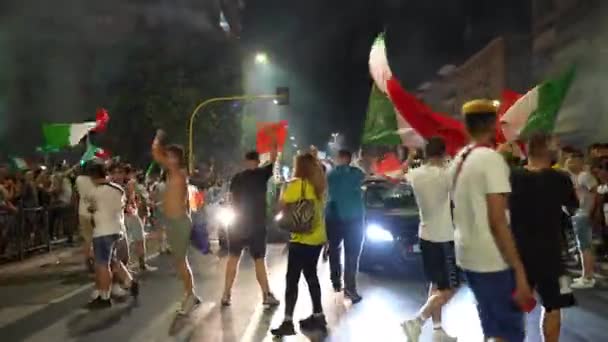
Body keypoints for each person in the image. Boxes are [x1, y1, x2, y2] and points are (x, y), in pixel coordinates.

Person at [449, 99, 533, 342]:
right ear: (494, 123)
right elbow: (497, 220)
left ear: (466, 126)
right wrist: (519, 270)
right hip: (493, 260)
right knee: (509, 331)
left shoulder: (459, 159)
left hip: (468, 255)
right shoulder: (490, 160)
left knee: (492, 327)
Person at [509, 133, 578, 342]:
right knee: (553, 307)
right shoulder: (561, 178)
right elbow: (572, 208)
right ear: (547, 151)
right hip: (551, 254)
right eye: (555, 146)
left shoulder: (512, 177)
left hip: (518, 253)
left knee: (514, 308)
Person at [402, 137, 458, 342]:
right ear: (443, 154)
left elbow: (399, 174)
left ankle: (438, 331)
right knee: (450, 287)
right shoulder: (445, 174)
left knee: (436, 285)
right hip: (444, 237)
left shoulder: (415, 174)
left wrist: (409, 157)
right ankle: (417, 321)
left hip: (425, 235)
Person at [271, 153, 328, 337]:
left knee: (292, 280)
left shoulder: (296, 186)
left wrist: (283, 191)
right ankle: (318, 316)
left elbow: (280, 208)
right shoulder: (319, 186)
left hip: (300, 239)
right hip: (317, 238)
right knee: (312, 276)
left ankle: (288, 321)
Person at [221, 146, 280, 307]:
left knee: (233, 258)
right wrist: (274, 145)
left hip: (237, 224)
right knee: (259, 260)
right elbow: (274, 159)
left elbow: (230, 199)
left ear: (246, 161)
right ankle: (266, 294)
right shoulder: (262, 174)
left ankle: (226, 294)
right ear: (258, 161)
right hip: (256, 225)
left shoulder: (237, 177)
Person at [152, 129, 200, 314]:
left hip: (179, 222)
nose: (168, 160)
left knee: (181, 262)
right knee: (179, 261)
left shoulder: (179, 173)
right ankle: (191, 295)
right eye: (168, 157)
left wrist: (158, 140)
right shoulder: (172, 173)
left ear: (178, 160)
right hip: (173, 222)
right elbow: (157, 154)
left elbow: (157, 154)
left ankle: (189, 296)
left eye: (172, 157)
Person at [87, 162, 138, 309]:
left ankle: (105, 296)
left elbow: (91, 209)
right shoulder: (118, 190)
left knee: (102, 265)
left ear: (93, 177)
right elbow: (122, 206)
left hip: (102, 231)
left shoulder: (94, 192)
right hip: (117, 229)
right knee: (114, 261)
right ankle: (130, 282)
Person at [325, 149, 365, 302]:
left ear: (338, 158)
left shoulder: (331, 174)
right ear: (349, 159)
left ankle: (336, 281)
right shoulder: (356, 173)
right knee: (352, 254)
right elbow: (367, 176)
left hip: (334, 217)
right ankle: (350, 288)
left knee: (334, 249)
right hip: (354, 219)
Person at [565, 150, 598, 288]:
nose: (569, 163)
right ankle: (586, 275)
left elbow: (594, 190)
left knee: (584, 246)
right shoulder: (577, 177)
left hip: (583, 214)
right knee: (583, 246)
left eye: (572, 160)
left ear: (579, 162)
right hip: (580, 214)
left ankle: (588, 278)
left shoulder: (584, 176)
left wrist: (589, 210)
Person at [76, 164, 96, 272]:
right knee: (96, 238)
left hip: (82, 212)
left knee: (87, 238)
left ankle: (87, 259)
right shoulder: (95, 180)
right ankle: (94, 259)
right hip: (94, 212)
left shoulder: (79, 179)